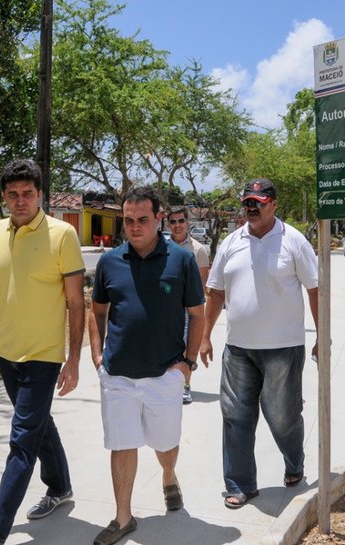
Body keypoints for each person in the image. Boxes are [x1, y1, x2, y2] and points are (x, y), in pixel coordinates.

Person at [0, 159, 85, 545]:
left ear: (40, 194)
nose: (20, 201)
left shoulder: (62, 235)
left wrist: (73, 359)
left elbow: (76, 302)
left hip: (44, 354)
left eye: (27, 193)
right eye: (12, 194)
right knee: (39, 425)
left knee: (22, 439)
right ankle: (60, 488)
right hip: (6, 352)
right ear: (3, 197)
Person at [89, 186, 205, 545]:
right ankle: (123, 518)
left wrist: (187, 363)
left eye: (142, 220)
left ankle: (168, 475)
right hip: (119, 374)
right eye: (128, 220)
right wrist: (97, 356)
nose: (134, 227)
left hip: (164, 374)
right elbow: (97, 312)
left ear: (158, 219)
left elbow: (197, 315)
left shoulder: (181, 260)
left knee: (165, 443)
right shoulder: (109, 262)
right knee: (122, 445)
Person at [200, 178, 318, 509]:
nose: (251, 207)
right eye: (247, 202)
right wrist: (205, 335)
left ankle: (294, 462)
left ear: (273, 204)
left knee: (283, 416)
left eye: (259, 202)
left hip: (284, 347)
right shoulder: (230, 243)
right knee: (235, 415)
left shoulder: (293, 241)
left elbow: (314, 290)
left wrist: (323, 336)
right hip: (238, 348)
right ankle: (240, 484)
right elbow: (216, 292)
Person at [166, 205, 210, 404]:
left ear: (187, 223)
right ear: (168, 224)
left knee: (186, 348)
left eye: (181, 221)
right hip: (165, 307)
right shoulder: (161, 247)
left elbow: (201, 285)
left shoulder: (198, 250)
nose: (177, 225)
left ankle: (185, 386)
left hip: (187, 309)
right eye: (173, 221)